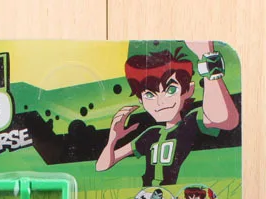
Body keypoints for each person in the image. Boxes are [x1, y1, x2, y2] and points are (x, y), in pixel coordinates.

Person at [96, 42, 239, 186]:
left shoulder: (190, 123)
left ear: (188, 90)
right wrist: (112, 139)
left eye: (171, 90)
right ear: (141, 100)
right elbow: (102, 166)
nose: (160, 102)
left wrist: (206, 56)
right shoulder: (151, 134)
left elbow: (225, 119)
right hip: (148, 196)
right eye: (150, 95)